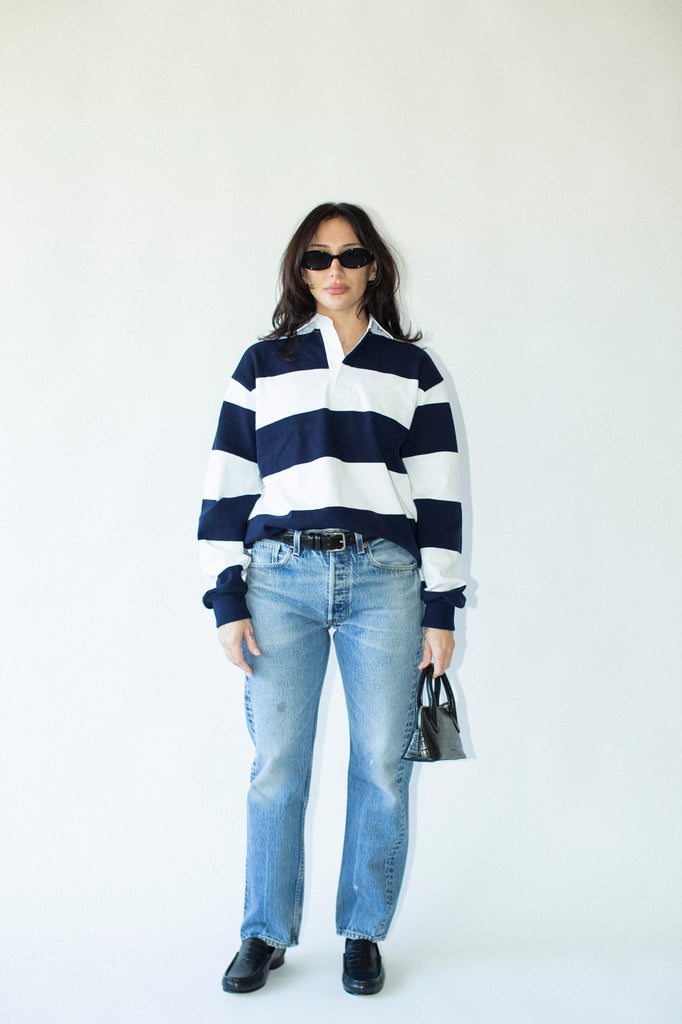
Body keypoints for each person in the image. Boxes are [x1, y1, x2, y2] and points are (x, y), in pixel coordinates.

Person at [198, 202, 465, 995]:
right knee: (277, 765)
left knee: (383, 765)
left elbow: (440, 494)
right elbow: (227, 484)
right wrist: (227, 597)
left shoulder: (414, 372)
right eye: (318, 258)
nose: (335, 270)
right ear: (300, 270)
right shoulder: (263, 363)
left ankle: (362, 932)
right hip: (278, 579)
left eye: (350, 256)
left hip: (385, 582)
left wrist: (441, 607)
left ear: (374, 266)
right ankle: (264, 931)